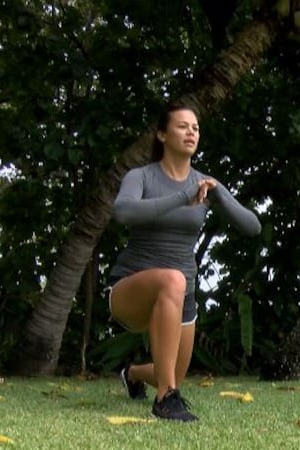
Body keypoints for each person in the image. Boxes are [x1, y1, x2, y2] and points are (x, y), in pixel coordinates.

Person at [106, 102, 262, 422]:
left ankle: (133, 374)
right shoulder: (142, 176)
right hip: (131, 286)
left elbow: (253, 227)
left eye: (196, 128)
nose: (191, 132)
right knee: (173, 279)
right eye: (182, 126)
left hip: (180, 297)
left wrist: (220, 198)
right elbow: (122, 211)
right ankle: (165, 401)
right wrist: (183, 196)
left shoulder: (205, 184)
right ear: (162, 134)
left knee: (173, 371)